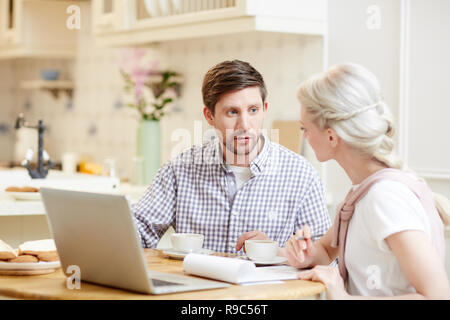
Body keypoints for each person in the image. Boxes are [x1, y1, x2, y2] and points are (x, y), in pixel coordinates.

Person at [284, 63, 450, 299]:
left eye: (305, 129)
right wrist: (307, 254)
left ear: (331, 136)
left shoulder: (383, 198)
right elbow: (325, 249)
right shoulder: (364, 191)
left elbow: (437, 296)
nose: (305, 137)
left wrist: (343, 297)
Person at [132, 59, 331, 254]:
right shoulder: (180, 169)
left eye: (253, 110)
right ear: (209, 116)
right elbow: (138, 231)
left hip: (266, 288)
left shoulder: (301, 175)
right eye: (232, 112)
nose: (244, 125)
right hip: (199, 287)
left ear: (264, 110)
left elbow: (327, 261)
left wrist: (276, 252)